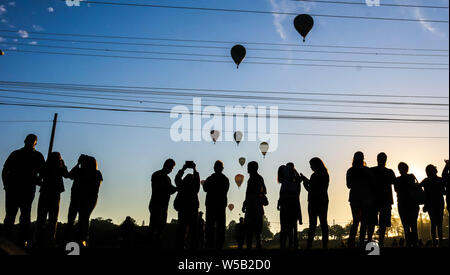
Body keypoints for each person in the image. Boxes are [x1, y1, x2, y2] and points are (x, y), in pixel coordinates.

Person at [2, 134, 45, 246]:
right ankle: (6, 239)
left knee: (25, 216)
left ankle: (22, 240)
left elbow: (43, 172)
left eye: (33, 141)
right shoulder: (16, 154)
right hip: (13, 189)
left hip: (28, 189)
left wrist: (37, 180)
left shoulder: (38, 156)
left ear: (35, 143)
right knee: (11, 215)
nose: (31, 142)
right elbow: (5, 169)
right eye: (29, 140)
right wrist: (6, 185)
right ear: (25, 141)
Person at [67, 155, 103, 246]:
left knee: (83, 218)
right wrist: (77, 164)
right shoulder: (79, 171)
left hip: (89, 199)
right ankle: (69, 239)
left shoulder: (96, 173)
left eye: (84, 162)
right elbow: (69, 175)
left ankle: (82, 239)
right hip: (76, 198)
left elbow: (96, 187)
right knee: (71, 219)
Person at [36, 152, 69, 245]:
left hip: (52, 193)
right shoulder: (47, 167)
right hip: (49, 193)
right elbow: (38, 179)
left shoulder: (59, 167)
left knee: (50, 219)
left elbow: (66, 175)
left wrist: (62, 165)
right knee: (46, 219)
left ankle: (47, 240)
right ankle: (42, 240)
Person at [346, 151, 376, 248]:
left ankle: (351, 242)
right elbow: (373, 184)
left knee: (356, 221)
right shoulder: (367, 170)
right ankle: (362, 242)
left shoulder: (350, 170)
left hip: (355, 198)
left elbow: (349, 185)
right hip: (365, 198)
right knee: (364, 222)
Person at [301, 157, 329, 249]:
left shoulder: (314, 175)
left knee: (312, 224)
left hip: (314, 202)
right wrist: (306, 180)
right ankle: (325, 245)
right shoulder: (325, 174)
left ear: (315, 165)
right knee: (323, 223)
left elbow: (311, 190)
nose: (310, 167)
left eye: (311, 165)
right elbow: (317, 187)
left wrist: (305, 184)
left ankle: (309, 245)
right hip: (323, 201)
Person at [148, 159, 177, 250]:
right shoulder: (158, 175)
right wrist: (175, 189)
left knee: (159, 227)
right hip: (157, 205)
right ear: (167, 166)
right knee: (155, 226)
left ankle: (155, 244)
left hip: (161, 206)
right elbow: (162, 188)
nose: (171, 170)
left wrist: (175, 189)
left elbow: (170, 189)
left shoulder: (162, 176)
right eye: (171, 168)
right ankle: (153, 244)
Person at [369, 152, 396, 247]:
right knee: (378, 222)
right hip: (381, 200)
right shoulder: (389, 172)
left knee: (375, 222)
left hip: (377, 200)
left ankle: (373, 241)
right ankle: (379, 242)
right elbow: (395, 184)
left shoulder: (371, 171)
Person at [203, 161, 230, 249]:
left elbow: (205, 188)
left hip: (211, 205)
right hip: (220, 205)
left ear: (214, 168)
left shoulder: (210, 178)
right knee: (220, 227)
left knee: (210, 226)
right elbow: (224, 191)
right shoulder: (225, 179)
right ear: (222, 168)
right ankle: (219, 245)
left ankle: (209, 244)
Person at [174, 161, 200, 250]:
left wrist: (184, 168)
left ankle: (180, 246)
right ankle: (193, 247)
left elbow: (177, 178)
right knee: (193, 230)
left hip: (183, 210)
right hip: (192, 210)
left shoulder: (182, 186)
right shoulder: (194, 188)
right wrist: (194, 169)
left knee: (182, 229)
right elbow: (197, 180)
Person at [394, 162, 420, 248]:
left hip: (402, 204)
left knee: (406, 226)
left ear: (399, 170)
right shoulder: (411, 177)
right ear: (407, 169)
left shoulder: (397, 180)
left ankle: (409, 243)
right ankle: (415, 243)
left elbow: (396, 189)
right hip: (413, 204)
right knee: (413, 225)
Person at [243, 161, 267, 250]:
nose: (247, 169)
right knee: (254, 229)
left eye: (249, 167)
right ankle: (256, 245)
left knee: (254, 229)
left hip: (254, 207)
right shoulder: (255, 178)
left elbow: (263, 190)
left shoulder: (256, 179)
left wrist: (247, 201)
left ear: (253, 168)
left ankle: (255, 245)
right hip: (254, 206)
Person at [278, 163, 302, 249]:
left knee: (286, 227)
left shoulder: (289, 183)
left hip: (287, 206)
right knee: (292, 227)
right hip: (291, 206)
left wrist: (280, 202)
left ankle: (286, 245)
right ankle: (292, 244)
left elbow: (283, 195)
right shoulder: (292, 182)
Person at [420, 164, 445, 247]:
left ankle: (435, 242)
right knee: (439, 224)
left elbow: (418, 187)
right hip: (438, 204)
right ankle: (439, 242)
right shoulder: (440, 180)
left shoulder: (426, 181)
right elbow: (444, 192)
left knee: (434, 223)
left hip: (431, 205)